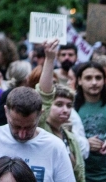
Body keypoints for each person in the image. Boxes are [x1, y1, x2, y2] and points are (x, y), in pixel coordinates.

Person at [0, 86, 75, 182]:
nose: (22, 134)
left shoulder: (55, 147)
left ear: (40, 114)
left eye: (29, 127)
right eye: (16, 126)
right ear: (6, 111)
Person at [36, 39, 87, 182]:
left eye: (69, 106)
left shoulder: (70, 137)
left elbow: (79, 174)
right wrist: (50, 58)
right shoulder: (40, 128)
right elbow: (44, 95)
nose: (65, 110)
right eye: (59, 104)